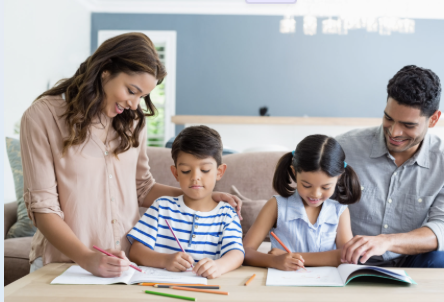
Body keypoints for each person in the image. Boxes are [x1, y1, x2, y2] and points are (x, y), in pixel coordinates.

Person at [20, 33, 242, 278]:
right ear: (105, 70)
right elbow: (43, 209)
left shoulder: (133, 122)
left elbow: (142, 188)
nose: (135, 105)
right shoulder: (42, 117)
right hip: (63, 265)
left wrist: (201, 195)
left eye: (142, 96)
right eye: (131, 90)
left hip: (126, 266)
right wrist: (86, 258)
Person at [337, 65, 444, 268]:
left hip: (412, 260)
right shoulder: (345, 149)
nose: (394, 132)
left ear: (433, 119)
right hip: (349, 260)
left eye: (408, 125)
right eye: (388, 118)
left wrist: (387, 241)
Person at [127, 126, 244, 278]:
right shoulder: (162, 207)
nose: (195, 177)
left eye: (205, 170)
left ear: (219, 172)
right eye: (186, 171)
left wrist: (218, 266)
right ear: (175, 173)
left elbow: (236, 253)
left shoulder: (227, 214)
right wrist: (165, 260)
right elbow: (136, 251)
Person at [243, 135, 361, 270]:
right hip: (282, 284)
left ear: (338, 178)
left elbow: (346, 257)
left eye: (325, 187)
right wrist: (274, 261)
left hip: (325, 285)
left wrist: (295, 257)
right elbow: (245, 251)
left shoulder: (339, 211)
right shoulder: (276, 206)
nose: (315, 194)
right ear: (294, 172)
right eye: (306, 185)